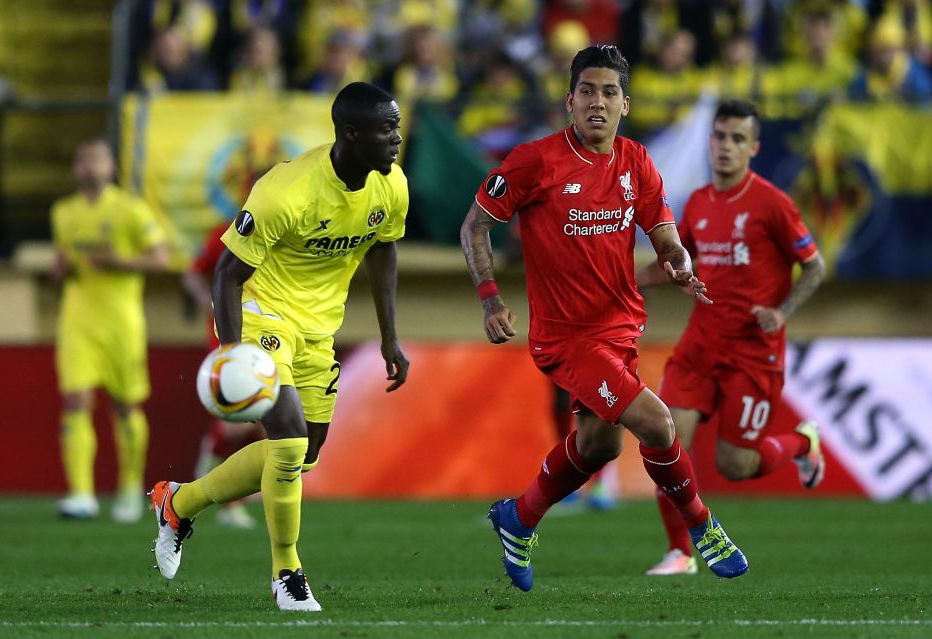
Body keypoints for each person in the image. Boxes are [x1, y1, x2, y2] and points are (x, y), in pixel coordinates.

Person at [460, 44, 748, 592]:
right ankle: (703, 527)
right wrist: (491, 297)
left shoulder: (636, 161)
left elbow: (662, 229)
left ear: (626, 104)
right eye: (588, 91)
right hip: (566, 337)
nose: (598, 102)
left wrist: (678, 261)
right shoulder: (534, 162)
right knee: (657, 424)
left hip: (620, 327)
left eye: (609, 93)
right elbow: (474, 225)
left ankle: (519, 518)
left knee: (599, 446)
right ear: (570, 100)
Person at [149, 82, 410, 612]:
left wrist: (389, 335)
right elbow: (226, 274)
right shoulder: (285, 191)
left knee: (302, 455)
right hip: (262, 310)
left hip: (319, 328)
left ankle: (177, 503)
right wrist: (232, 354)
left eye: (397, 127)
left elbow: (383, 252)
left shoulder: (391, 186)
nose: (397, 139)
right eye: (387, 130)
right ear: (351, 134)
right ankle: (286, 573)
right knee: (287, 438)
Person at [636, 99, 827, 576]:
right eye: (720, 137)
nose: (726, 147)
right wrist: (623, 279)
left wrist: (781, 313)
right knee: (665, 440)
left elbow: (816, 265)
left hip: (753, 352)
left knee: (735, 466)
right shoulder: (698, 202)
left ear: (754, 147)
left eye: (737, 139)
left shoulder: (772, 204)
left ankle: (803, 444)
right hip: (701, 342)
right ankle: (680, 552)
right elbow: (678, 264)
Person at [51, 137, 170, 522]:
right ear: (75, 169)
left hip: (121, 322)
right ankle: (81, 494)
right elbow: (62, 261)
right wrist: (60, 270)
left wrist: (119, 261)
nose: (89, 167)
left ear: (111, 167)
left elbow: (162, 260)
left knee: (124, 406)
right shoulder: (63, 212)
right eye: (82, 160)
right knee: (75, 401)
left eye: (96, 160)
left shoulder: (131, 210)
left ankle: (128, 490)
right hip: (77, 320)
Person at [180, 222, 264, 529]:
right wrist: (211, 303)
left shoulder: (285, 227)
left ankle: (225, 491)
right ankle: (220, 493)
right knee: (238, 421)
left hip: (269, 331)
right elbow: (192, 273)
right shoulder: (224, 232)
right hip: (228, 332)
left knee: (265, 422)